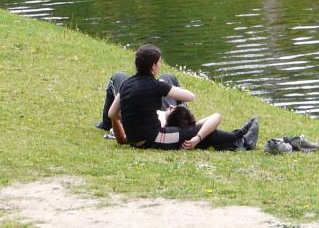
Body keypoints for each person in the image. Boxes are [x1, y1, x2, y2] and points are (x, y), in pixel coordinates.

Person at [106, 43, 258, 151]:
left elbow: (112, 114)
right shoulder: (155, 85)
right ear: (153, 66)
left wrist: (131, 120)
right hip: (155, 138)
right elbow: (190, 96)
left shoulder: (127, 84)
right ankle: (241, 140)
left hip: (136, 140)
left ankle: (239, 136)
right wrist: (164, 86)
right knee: (201, 132)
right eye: (159, 63)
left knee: (198, 128)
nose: (160, 66)